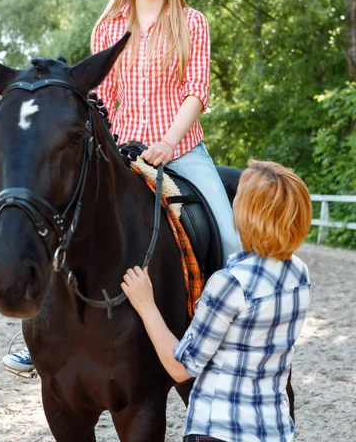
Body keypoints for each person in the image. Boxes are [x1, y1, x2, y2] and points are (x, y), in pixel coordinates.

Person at [2, 0, 241, 373]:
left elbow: (196, 91)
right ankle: (37, 331)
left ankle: (227, 333)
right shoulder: (108, 26)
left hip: (182, 149)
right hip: (120, 149)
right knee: (63, 220)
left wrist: (169, 141)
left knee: (228, 235)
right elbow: (102, 98)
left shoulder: (192, 22)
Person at [121, 159, 312, 442]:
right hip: (274, 430)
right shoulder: (299, 272)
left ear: (249, 214)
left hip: (220, 431)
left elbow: (181, 368)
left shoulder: (230, 284)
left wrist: (146, 305)